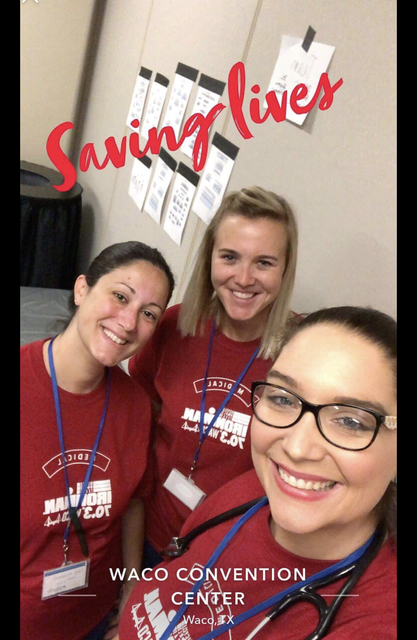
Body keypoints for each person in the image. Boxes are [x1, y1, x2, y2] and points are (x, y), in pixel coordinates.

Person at [116, 305, 397, 640]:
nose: (297, 449)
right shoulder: (245, 492)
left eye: (350, 421)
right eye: (283, 399)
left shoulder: (376, 621)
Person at [128, 186, 299, 562]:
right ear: (210, 259)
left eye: (264, 263)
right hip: (149, 533)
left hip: (228, 552)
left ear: (285, 270)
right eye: (230, 257)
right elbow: (141, 412)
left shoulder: (302, 352)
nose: (244, 278)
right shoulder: (173, 325)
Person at [20, 241, 175, 640]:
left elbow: (134, 502)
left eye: (148, 313)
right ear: (82, 289)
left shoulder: (136, 406)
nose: (128, 322)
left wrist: (130, 587)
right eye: (120, 296)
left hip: (95, 617)